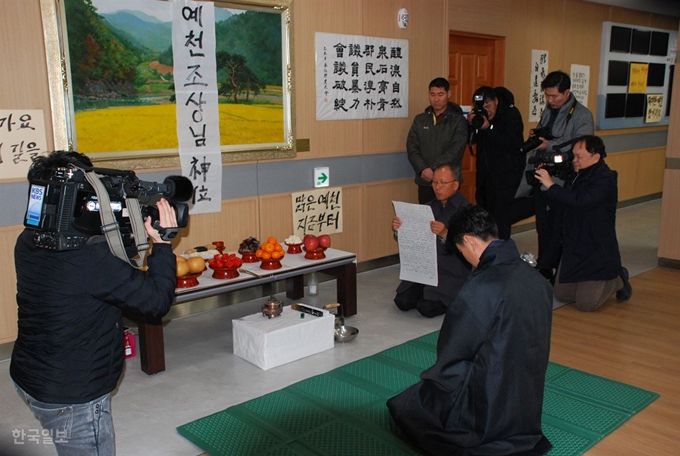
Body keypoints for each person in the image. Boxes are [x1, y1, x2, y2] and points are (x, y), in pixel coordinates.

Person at [11, 151, 179, 455]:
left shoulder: (28, 240)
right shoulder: (90, 258)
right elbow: (155, 303)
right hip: (74, 395)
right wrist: (163, 245)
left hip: (30, 376)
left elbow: (96, 282)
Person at [387, 205, 553, 455]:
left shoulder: (480, 287)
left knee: (408, 406)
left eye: (461, 250)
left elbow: (453, 353)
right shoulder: (537, 279)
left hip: (486, 402)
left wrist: (435, 384)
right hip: (526, 399)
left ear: (470, 241)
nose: (464, 257)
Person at [534, 135, 632, 311]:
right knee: (562, 295)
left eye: (579, 156)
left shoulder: (605, 179)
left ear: (596, 157)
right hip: (575, 244)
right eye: (573, 155)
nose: (574, 160)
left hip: (596, 248)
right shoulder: (576, 175)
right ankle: (591, 283)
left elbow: (580, 202)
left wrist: (552, 186)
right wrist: (543, 185)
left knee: (587, 304)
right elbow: (563, 204)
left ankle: (617, 278)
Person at [528, 70, 594, 282]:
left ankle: (561, 268)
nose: (550, 100)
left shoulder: (583, 115)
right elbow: (545, 134)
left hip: (566, 180)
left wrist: (550, 145)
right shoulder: (548, 110)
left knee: (561, 226)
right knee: (543, 226)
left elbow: (582, 145)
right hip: (544, 175)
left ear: (567, 93)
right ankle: (545, 267)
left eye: (554, 96)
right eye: (547, 95)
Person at [392, 163, 471, 317]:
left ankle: (454, 296)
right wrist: (399, 230)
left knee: (426, 308)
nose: (437, 187)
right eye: (435, 182)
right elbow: (413, 239)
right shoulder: (428, 207)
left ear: (455, 185)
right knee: (402, 302)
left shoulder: (467, 210)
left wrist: (446, 234)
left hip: (450, 272)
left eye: (443, 183)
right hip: (425, 269)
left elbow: (470, 247)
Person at [467, 86, 527, 239]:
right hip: (485, 176)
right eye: (481, 107)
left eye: (488, 106)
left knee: (501, 219)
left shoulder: (511, 114)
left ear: (496, 101)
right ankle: (487, 252)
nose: (486, 110)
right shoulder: (481, 117)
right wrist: (472, 125)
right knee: (484, 217)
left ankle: (502, 255)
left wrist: (489, 128)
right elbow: (473, 142)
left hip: (505, 178)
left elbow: (511, 145)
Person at [407, 77, 468, 204]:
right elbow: (412, 147)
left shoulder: (458, 121)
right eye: (432, 94)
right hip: (425, 180)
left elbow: (456, 150)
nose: (436, 99)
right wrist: (423, 169)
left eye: (440, 94)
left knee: (448, 220)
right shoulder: (420, 119)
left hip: (448, 181)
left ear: (448, 94)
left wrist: (434, 170)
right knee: (427, 218)